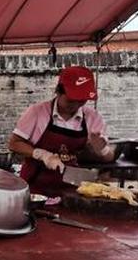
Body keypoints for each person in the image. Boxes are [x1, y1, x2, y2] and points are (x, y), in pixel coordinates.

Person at [8, 66, 114, 196]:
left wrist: (101, 150)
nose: (75, 106)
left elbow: (109, 157)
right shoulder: (37, 112)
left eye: (81, 101)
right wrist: (42, 154)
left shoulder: (93, 118)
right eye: (71, 100)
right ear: (58, 92)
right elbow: (14, 143)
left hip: (72, 189)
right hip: (35, 188)